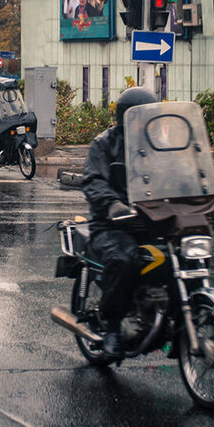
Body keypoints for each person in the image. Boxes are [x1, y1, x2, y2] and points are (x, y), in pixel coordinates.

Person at [81, 86, 158, 359]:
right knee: (125, 260)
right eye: (139, 116)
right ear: (125, 117)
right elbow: (92, 180)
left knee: (186, 253)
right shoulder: (104, 144)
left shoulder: (158, 145)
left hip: (152, 220)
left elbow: (183, 172)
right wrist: (112, 204)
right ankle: (112, 327)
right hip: (112, 224)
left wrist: (210, 205)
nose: (144, 121)